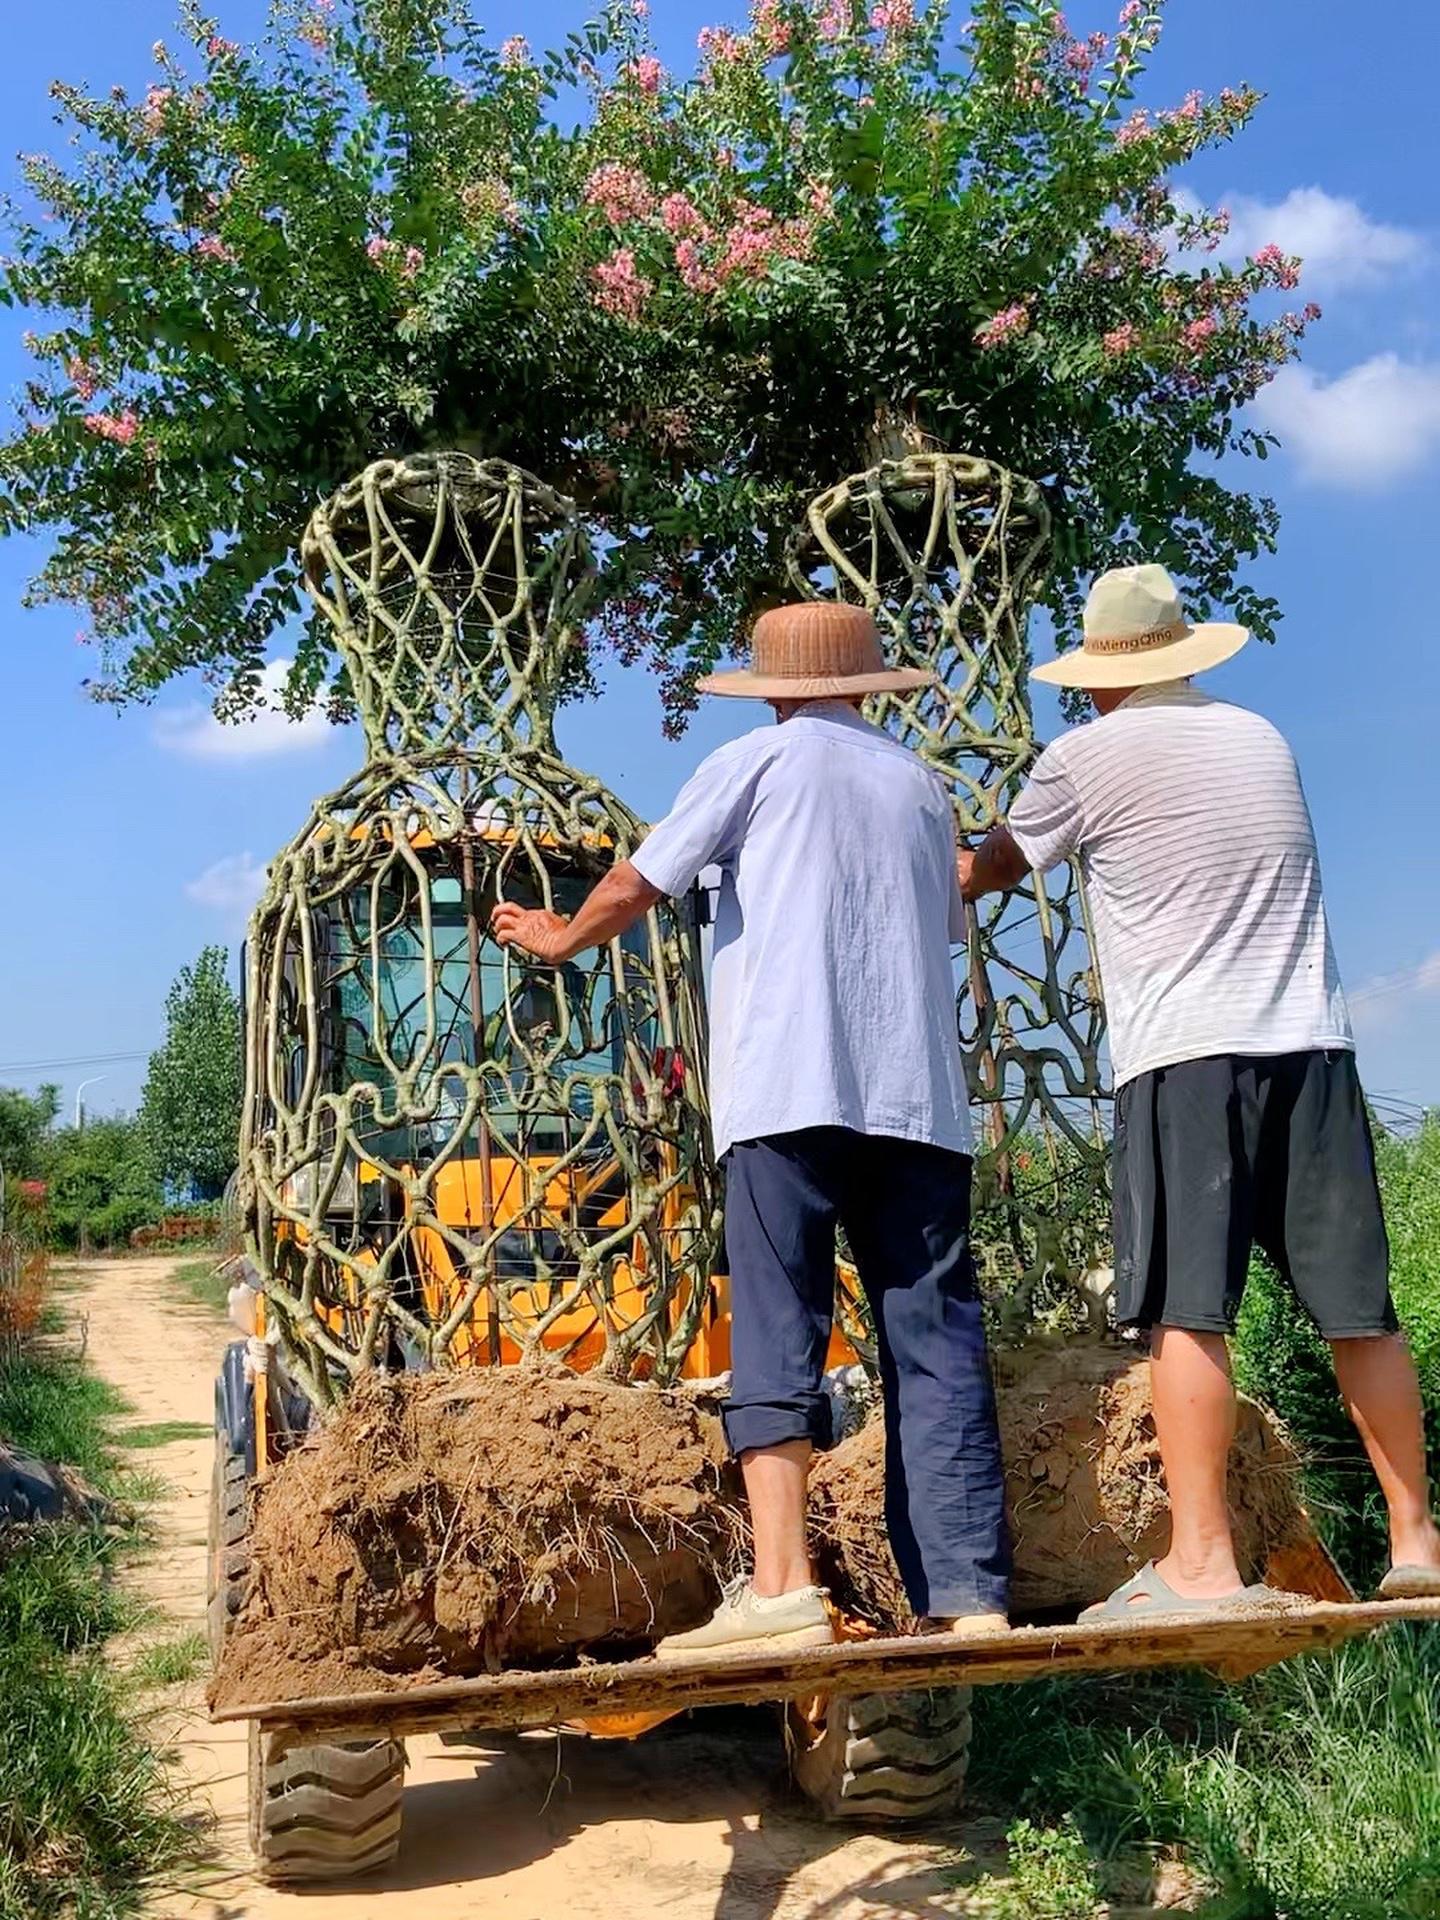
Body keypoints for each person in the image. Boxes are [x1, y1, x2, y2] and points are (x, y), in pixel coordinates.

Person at [492, 601, 1010, 1652]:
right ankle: (970, 1598)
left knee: (781, 1330)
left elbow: (642, 878)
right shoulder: (920, 788)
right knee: (936, 1343)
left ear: (776, 688)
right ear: (867, 684)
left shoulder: (755, 766)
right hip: (917, 1105)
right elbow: (942, 917)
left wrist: (560, 938)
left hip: (786, 1090)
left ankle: (782, 1590)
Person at [961, 563, 1440, 1616]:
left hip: (1186, 1057)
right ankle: (1417, 1545)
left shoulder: (1083, 757)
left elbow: (987, 870)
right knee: (1360, 1312)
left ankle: (1203, 1565)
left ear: (1100, 679)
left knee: (1187, 1314)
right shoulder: (1261, 737)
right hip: (1313, 1048)